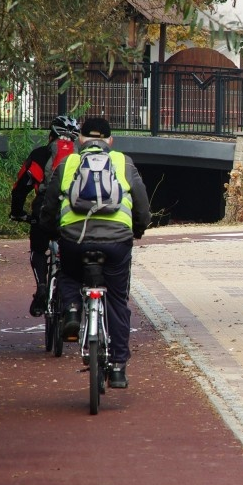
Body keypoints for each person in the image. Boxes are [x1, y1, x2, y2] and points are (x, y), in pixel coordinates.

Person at [39, 117, 151, 389]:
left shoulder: (68, 164)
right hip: (116, 242)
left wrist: (51, 231)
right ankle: (118, 367)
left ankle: (74, 311)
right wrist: (138, 228)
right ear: (110, 142)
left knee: (68, 274)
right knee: (116, 301)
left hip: (74, 239)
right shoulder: (123, 162)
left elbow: (49, 205)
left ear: (80, 139)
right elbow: (141, 203)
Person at [10, 115, 79, 317]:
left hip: (44, 208)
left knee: (38, 249)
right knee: (73, 251)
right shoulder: (81, 156)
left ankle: (41, 285)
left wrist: (17, 212)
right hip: (74, 211)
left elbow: (21, 186)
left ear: (51, 136)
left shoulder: (40, 154)